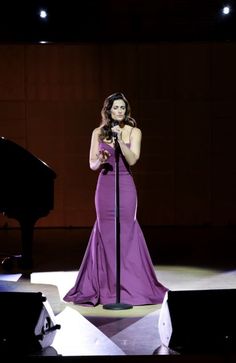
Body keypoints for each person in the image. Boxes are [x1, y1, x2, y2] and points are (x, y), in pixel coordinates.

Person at [63, 92, 168, 306]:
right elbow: (92, 164)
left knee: (127, 232)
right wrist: (100, 159)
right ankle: (106, 285)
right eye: (115, 108)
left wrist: (120, 141)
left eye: (122, 107)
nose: (119, 111)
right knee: (106, 233)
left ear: (126, 110)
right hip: (105, 185)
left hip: (126, 185)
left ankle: (129, 283)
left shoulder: (134, 131)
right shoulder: (98, 132)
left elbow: (133, 159)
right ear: (109, 111)